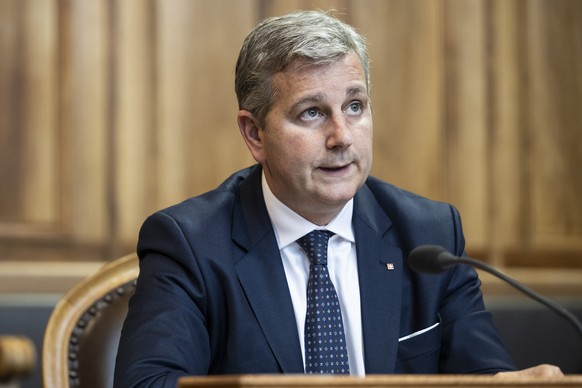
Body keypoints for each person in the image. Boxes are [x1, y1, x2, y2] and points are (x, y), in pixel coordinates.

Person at [114, 10, 562, 387]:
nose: (341, 137)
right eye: (312, 113)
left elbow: (483, 375)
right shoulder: (191, 243)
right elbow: (150, 382)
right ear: (255, 134)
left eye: (355, 106)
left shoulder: (430, 236)